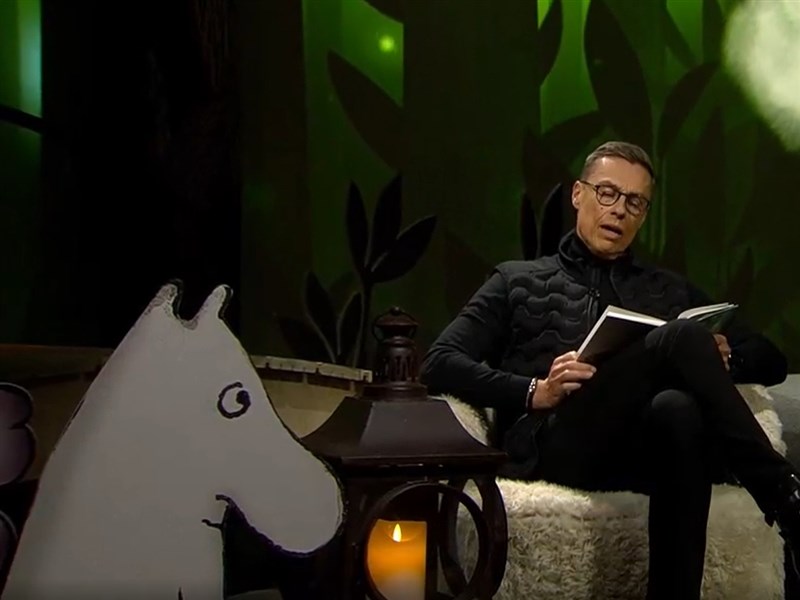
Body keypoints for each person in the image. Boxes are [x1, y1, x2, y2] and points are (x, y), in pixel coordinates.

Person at [420, 140, 800, 600]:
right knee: (680, 337)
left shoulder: (667, 291)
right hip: (558, 446)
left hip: (641, 453)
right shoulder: (517, 281)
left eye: (635, 202)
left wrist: (728, 359)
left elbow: (772, 359)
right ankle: (786, 497)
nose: (619, 210)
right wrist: (534, 390)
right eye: (607, 193)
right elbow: (439, 362)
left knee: (678, 407)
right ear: (578, 194)